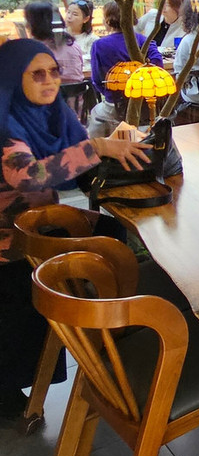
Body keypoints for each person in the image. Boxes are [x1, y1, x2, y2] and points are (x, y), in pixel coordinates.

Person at [0, 39, 148, 418]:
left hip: (38, 222)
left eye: (53, 71)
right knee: (109, 243)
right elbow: (29, 175)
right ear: (13, 79)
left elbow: (75, 155)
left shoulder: (45, 113)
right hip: (11, 242)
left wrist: (115, 146)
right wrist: (97, 148)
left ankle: (106, 324)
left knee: (113, 234)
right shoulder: (4, 124)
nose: (50, 80)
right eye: (37, 74)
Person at [87, 1, 164, 138]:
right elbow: (158, 66)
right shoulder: (144, 41)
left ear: (108, 20)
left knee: (95, 113)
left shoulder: (99, 45)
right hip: (147, 104)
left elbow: (97, 80)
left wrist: (111, 93)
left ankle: (99, 149)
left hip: (115, 104)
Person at [23, 1, 82, 84]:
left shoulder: (34, 51)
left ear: (35, 24)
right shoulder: (73, 45)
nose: (25, 25)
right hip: (76, 91)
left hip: (48, 91)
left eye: (27, 20)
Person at [64, 0, 98, 66]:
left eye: (75, 14)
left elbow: (91, 62)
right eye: (68, 12)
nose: (69, 16)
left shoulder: (92, 40)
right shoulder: (58, 35)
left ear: (86, 19)